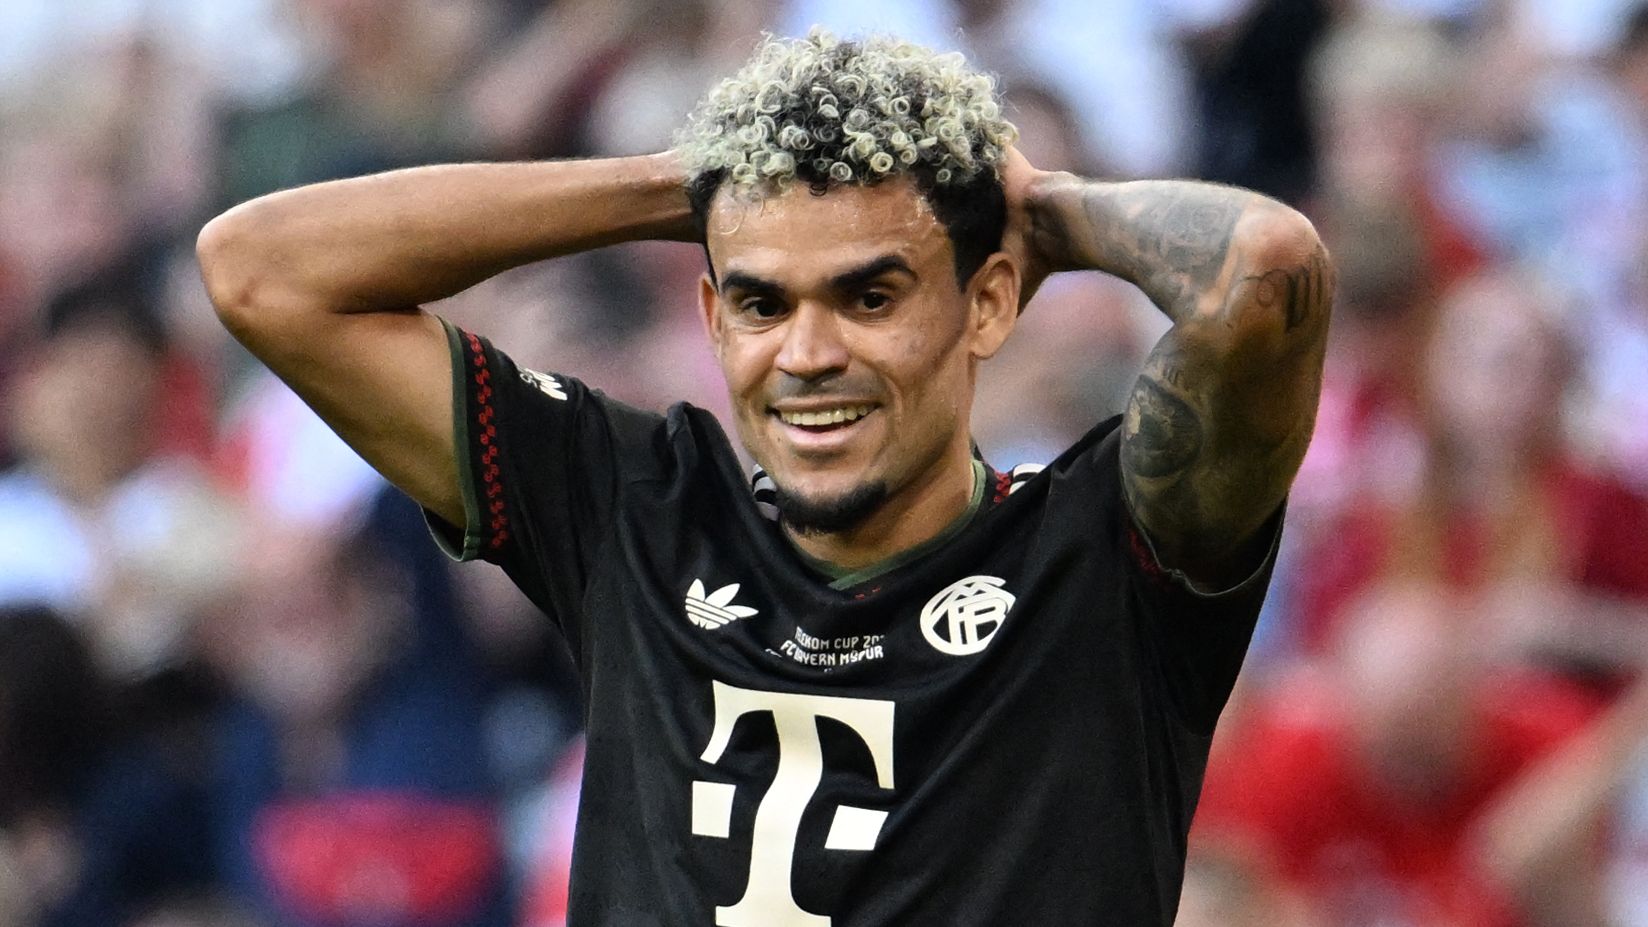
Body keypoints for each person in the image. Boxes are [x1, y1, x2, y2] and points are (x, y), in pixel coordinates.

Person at [197, 30, 1332, 926]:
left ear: (988, 303)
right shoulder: (636, 508)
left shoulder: (1103, 552)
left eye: (870, 295)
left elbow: (1266, 271)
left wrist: (1038, 208)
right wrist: (687, 183)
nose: (807, 353)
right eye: (759, 301)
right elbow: (259, 270)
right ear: (709, 316)